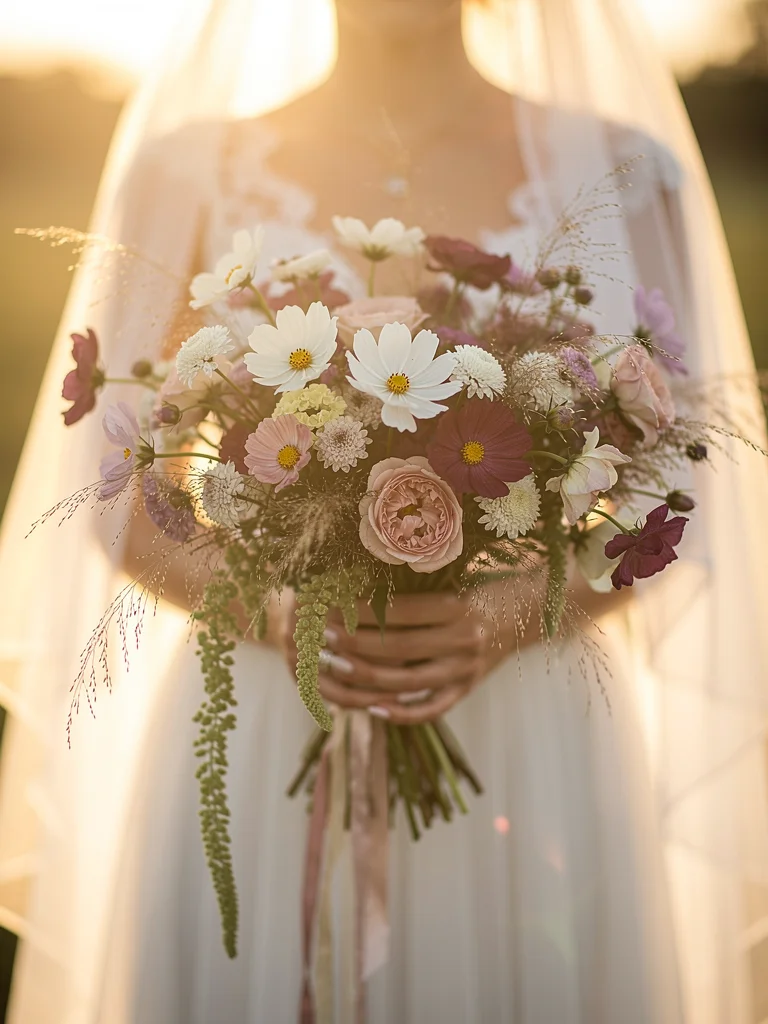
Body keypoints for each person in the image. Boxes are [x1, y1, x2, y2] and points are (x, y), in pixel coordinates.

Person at [1, 1, 767, 1022]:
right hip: (271, 707)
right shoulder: (185, 169)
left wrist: (514, 610)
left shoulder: (628, 170)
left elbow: (683, 487)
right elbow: (114, 493)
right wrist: (279, 614)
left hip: (527, 722)